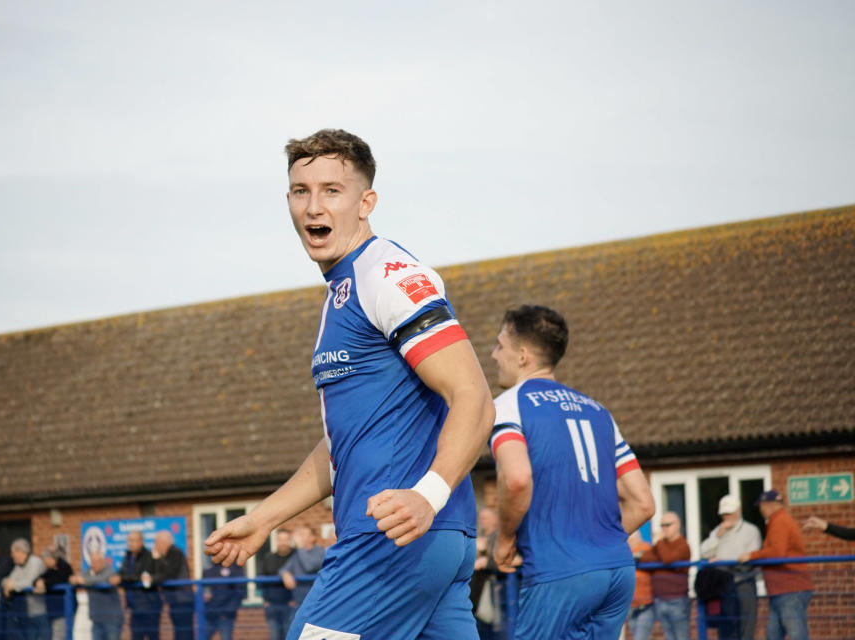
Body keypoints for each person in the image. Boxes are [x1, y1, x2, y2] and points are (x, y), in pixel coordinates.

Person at [204, 128, 494, 640]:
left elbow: (473, 397)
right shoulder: (341, 289)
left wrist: (427, 494)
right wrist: (265, 518)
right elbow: (345, 443)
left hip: (390, 539)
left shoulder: (386, 273)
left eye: (332, 191)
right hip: (428, 541)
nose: (314, 207)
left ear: (366, 202)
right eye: (301, 191)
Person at [489, 304, 656, 640]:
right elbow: (643, 504)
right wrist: (593, 544)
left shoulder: (508, 405)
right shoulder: (599, 411)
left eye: (500, 346)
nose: (493, 355)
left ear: (523, 356)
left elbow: (517, 479)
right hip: (617, 571)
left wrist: (504, 539)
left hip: (559, 572)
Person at [737, 490, 813, 640]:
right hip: (782, 589)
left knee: (796, 634)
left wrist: (751, 555)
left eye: (761, 506)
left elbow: (777, 552)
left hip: (790, 589)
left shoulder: (780, 522)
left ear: (768, 505)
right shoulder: (778, 521)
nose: (760, 510)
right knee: (773, 634)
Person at [699, 495, 762, 640]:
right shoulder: (718, 531)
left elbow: (750, 558)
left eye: (730, 513)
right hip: (723, 585)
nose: (727, 517)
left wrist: (723, 561)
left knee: (746, 627)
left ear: (738, 511)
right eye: (724, 514)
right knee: (726, 627)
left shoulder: (751, 531)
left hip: (743, 582)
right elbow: (704, 552)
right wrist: (717, 536)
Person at [641, 511, 691, 640]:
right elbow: (645, 558)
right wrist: (661, 553)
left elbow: (667, 558)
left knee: (681, 637)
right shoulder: (661, 545)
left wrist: (659, 542)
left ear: (678, 525)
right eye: (662, 525)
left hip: (677, 601)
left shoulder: (682, 545)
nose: (664, 529)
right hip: (660, 599)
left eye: (668, 525)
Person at [116, 531, 161, 640]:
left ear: (141, 542)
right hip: (134, 606)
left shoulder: (148, 556)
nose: (130, 543)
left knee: (152, 636)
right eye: (129, 540)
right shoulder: (128, 556)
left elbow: (142, 575)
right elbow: (121, 574)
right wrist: (122, 578)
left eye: (133, 540)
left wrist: (123, 578)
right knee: (136, 636)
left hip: (149, 606)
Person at [69, 551, 123, 640]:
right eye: (93, 562)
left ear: (103, 562)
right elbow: (76, 578)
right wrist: (73, 579)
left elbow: (102, 579)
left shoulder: (109, 571)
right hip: (96, 620)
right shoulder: (89, 573)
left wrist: (85, 581)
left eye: (98, 561)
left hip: (112, 620)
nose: (95, 564)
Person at [149, 532, 192, 640]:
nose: (155, 546)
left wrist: (157, 560)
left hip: (183, 600)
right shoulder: (166, 556)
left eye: (156, 543)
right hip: (175, 600)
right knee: (178, 632)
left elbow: (169, 573)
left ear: (164, 543)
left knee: (184, 633)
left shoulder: (175, 552)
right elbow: (158, 573)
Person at [2, 539, 48, 640]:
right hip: (27, 613)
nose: (12, 555)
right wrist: (6, 584)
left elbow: (30, 581)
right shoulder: (19, 566)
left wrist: (13, 586)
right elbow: (8, 580)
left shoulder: (35, 562)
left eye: (13, 552)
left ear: (21, 552)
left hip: (41, 612)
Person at [469, 507, 503, 640]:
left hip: (489, 593)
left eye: (485, 518)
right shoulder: (479, 537)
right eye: (481, 518)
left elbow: (501, 560)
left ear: (495, 519)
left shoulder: (497, 536)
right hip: (474, 595)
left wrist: (486, 560)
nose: (482, 521)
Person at [278, 526, 325, 610]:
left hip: (315, 602)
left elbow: (309, 566)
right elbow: (283, 569)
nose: (299, 537)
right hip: (298, 602)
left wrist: (300, 547)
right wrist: (285, 574)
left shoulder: (320, 552)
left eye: (302, 534)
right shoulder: (297, 553)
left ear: (312, 538)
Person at [258, 530, 294, 640]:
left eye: (286, 540)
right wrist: (265, 600)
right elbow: (262, 581)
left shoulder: (296, 558)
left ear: (290, 541)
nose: (283, 543)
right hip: (272, 605)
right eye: (280, 540)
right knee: (274, 636)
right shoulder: (268, 558)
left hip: (291, 604)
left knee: (290, 635)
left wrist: (295, 599)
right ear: (277, 541)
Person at [33, 547, 74, 640]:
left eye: (45, 560)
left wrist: (44, 583)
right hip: (52, 611)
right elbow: (38, 579)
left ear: (51, 559)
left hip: (63, 610)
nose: (44, 563)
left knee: (59, 637)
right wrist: (38, 582)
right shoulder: (50, 570)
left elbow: (59, 578)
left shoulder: (64, 566)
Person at [202, 561, 246, 640]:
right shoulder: (208, 570)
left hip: (226, 616)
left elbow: (240, 593)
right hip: (210, 615)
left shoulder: (236, 569)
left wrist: (227, 612)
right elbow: (204, 590)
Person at [626, 530, 654, 640]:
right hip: (631, 605)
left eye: (631, 540)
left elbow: (642, 556)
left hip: (645, 604)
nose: (629, 543)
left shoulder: (646, 549)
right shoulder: (626, 551)